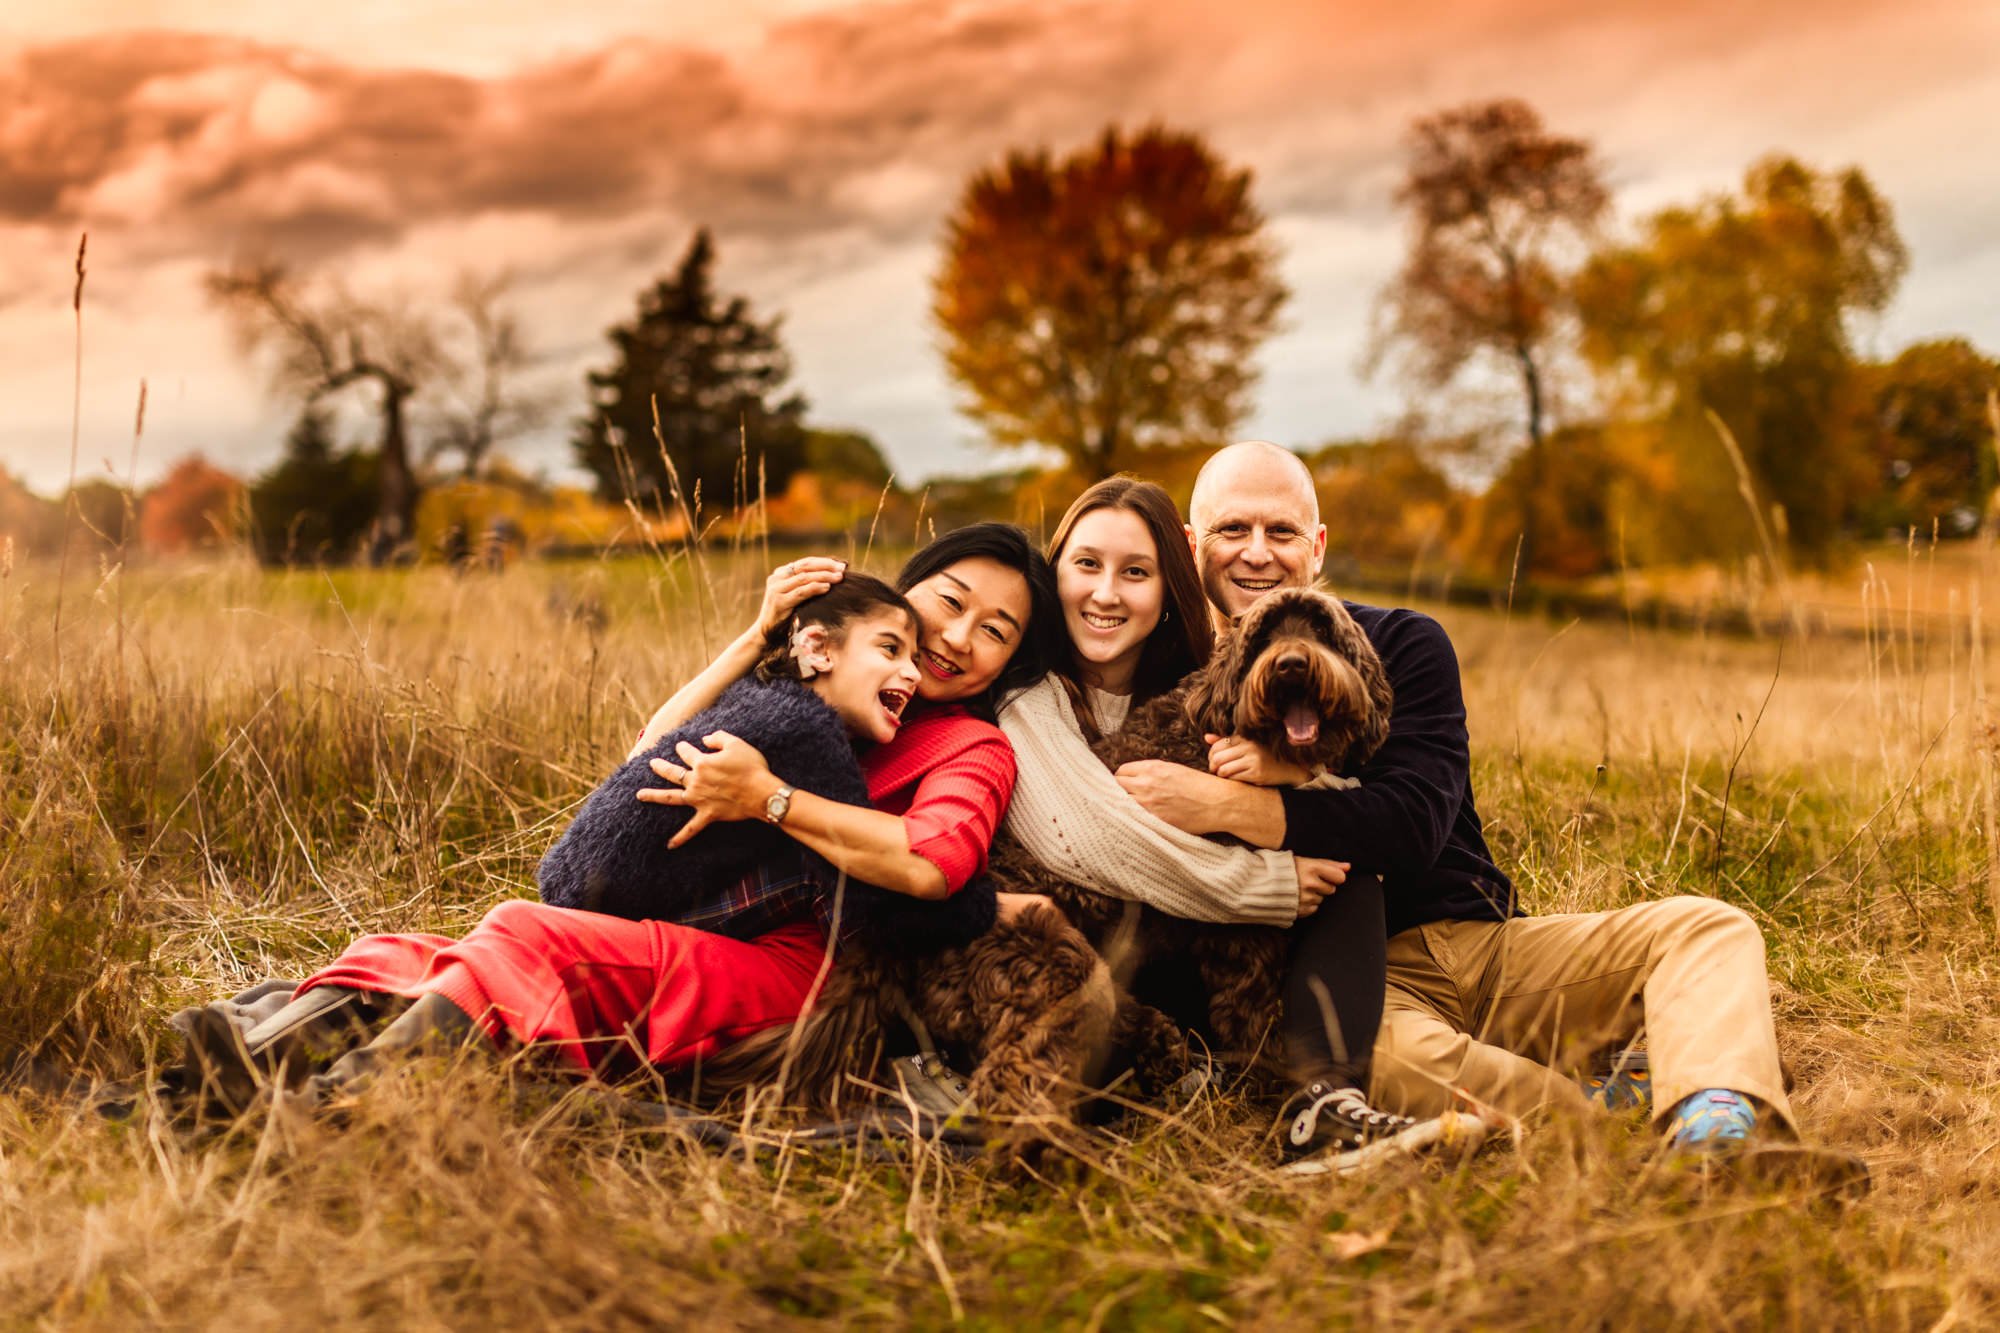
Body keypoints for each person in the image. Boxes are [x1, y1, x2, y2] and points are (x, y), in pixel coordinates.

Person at [1110, 440, 1853, 1177]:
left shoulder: (1400, 643)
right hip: (1354, 986)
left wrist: (1232, 804)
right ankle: (1613, 1122)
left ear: (1319, 543)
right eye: (1233, 530)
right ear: (1191, 544)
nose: (1257, 554)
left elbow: (1410, 826)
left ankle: (1718, 1123)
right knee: (1379, 1068)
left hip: (1484, 945)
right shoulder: (1179, 686)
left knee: (1706, 928)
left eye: (1281, 531)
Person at [177, 524, 1060, 1111]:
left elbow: (930, 862)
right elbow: (654, 752)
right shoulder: (838, 691)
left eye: (997, 631)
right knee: (476, 938)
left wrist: (770, 800)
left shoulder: (967, 749)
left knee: (531, 935)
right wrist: (760, 637)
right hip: (706, 923)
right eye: (948, 602)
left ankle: (347, 1105)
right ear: (903, 596)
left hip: (808, 969)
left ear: (1013, 660)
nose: (957, 636)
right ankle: (258, 1054)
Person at [992, 476, 1422, 1155]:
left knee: (1346, 876)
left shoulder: (1194, 685)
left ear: (1169, 588)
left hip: (1155, 954)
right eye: (1086, 565)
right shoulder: (1022, 689)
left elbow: (1338, 798)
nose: (1106, 592)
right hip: (1045, 951)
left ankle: (1324, 1096)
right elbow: (1092, 838)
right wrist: (1268, 886)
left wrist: (1294, 777)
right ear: (1055, 575)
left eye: (1136, 572)